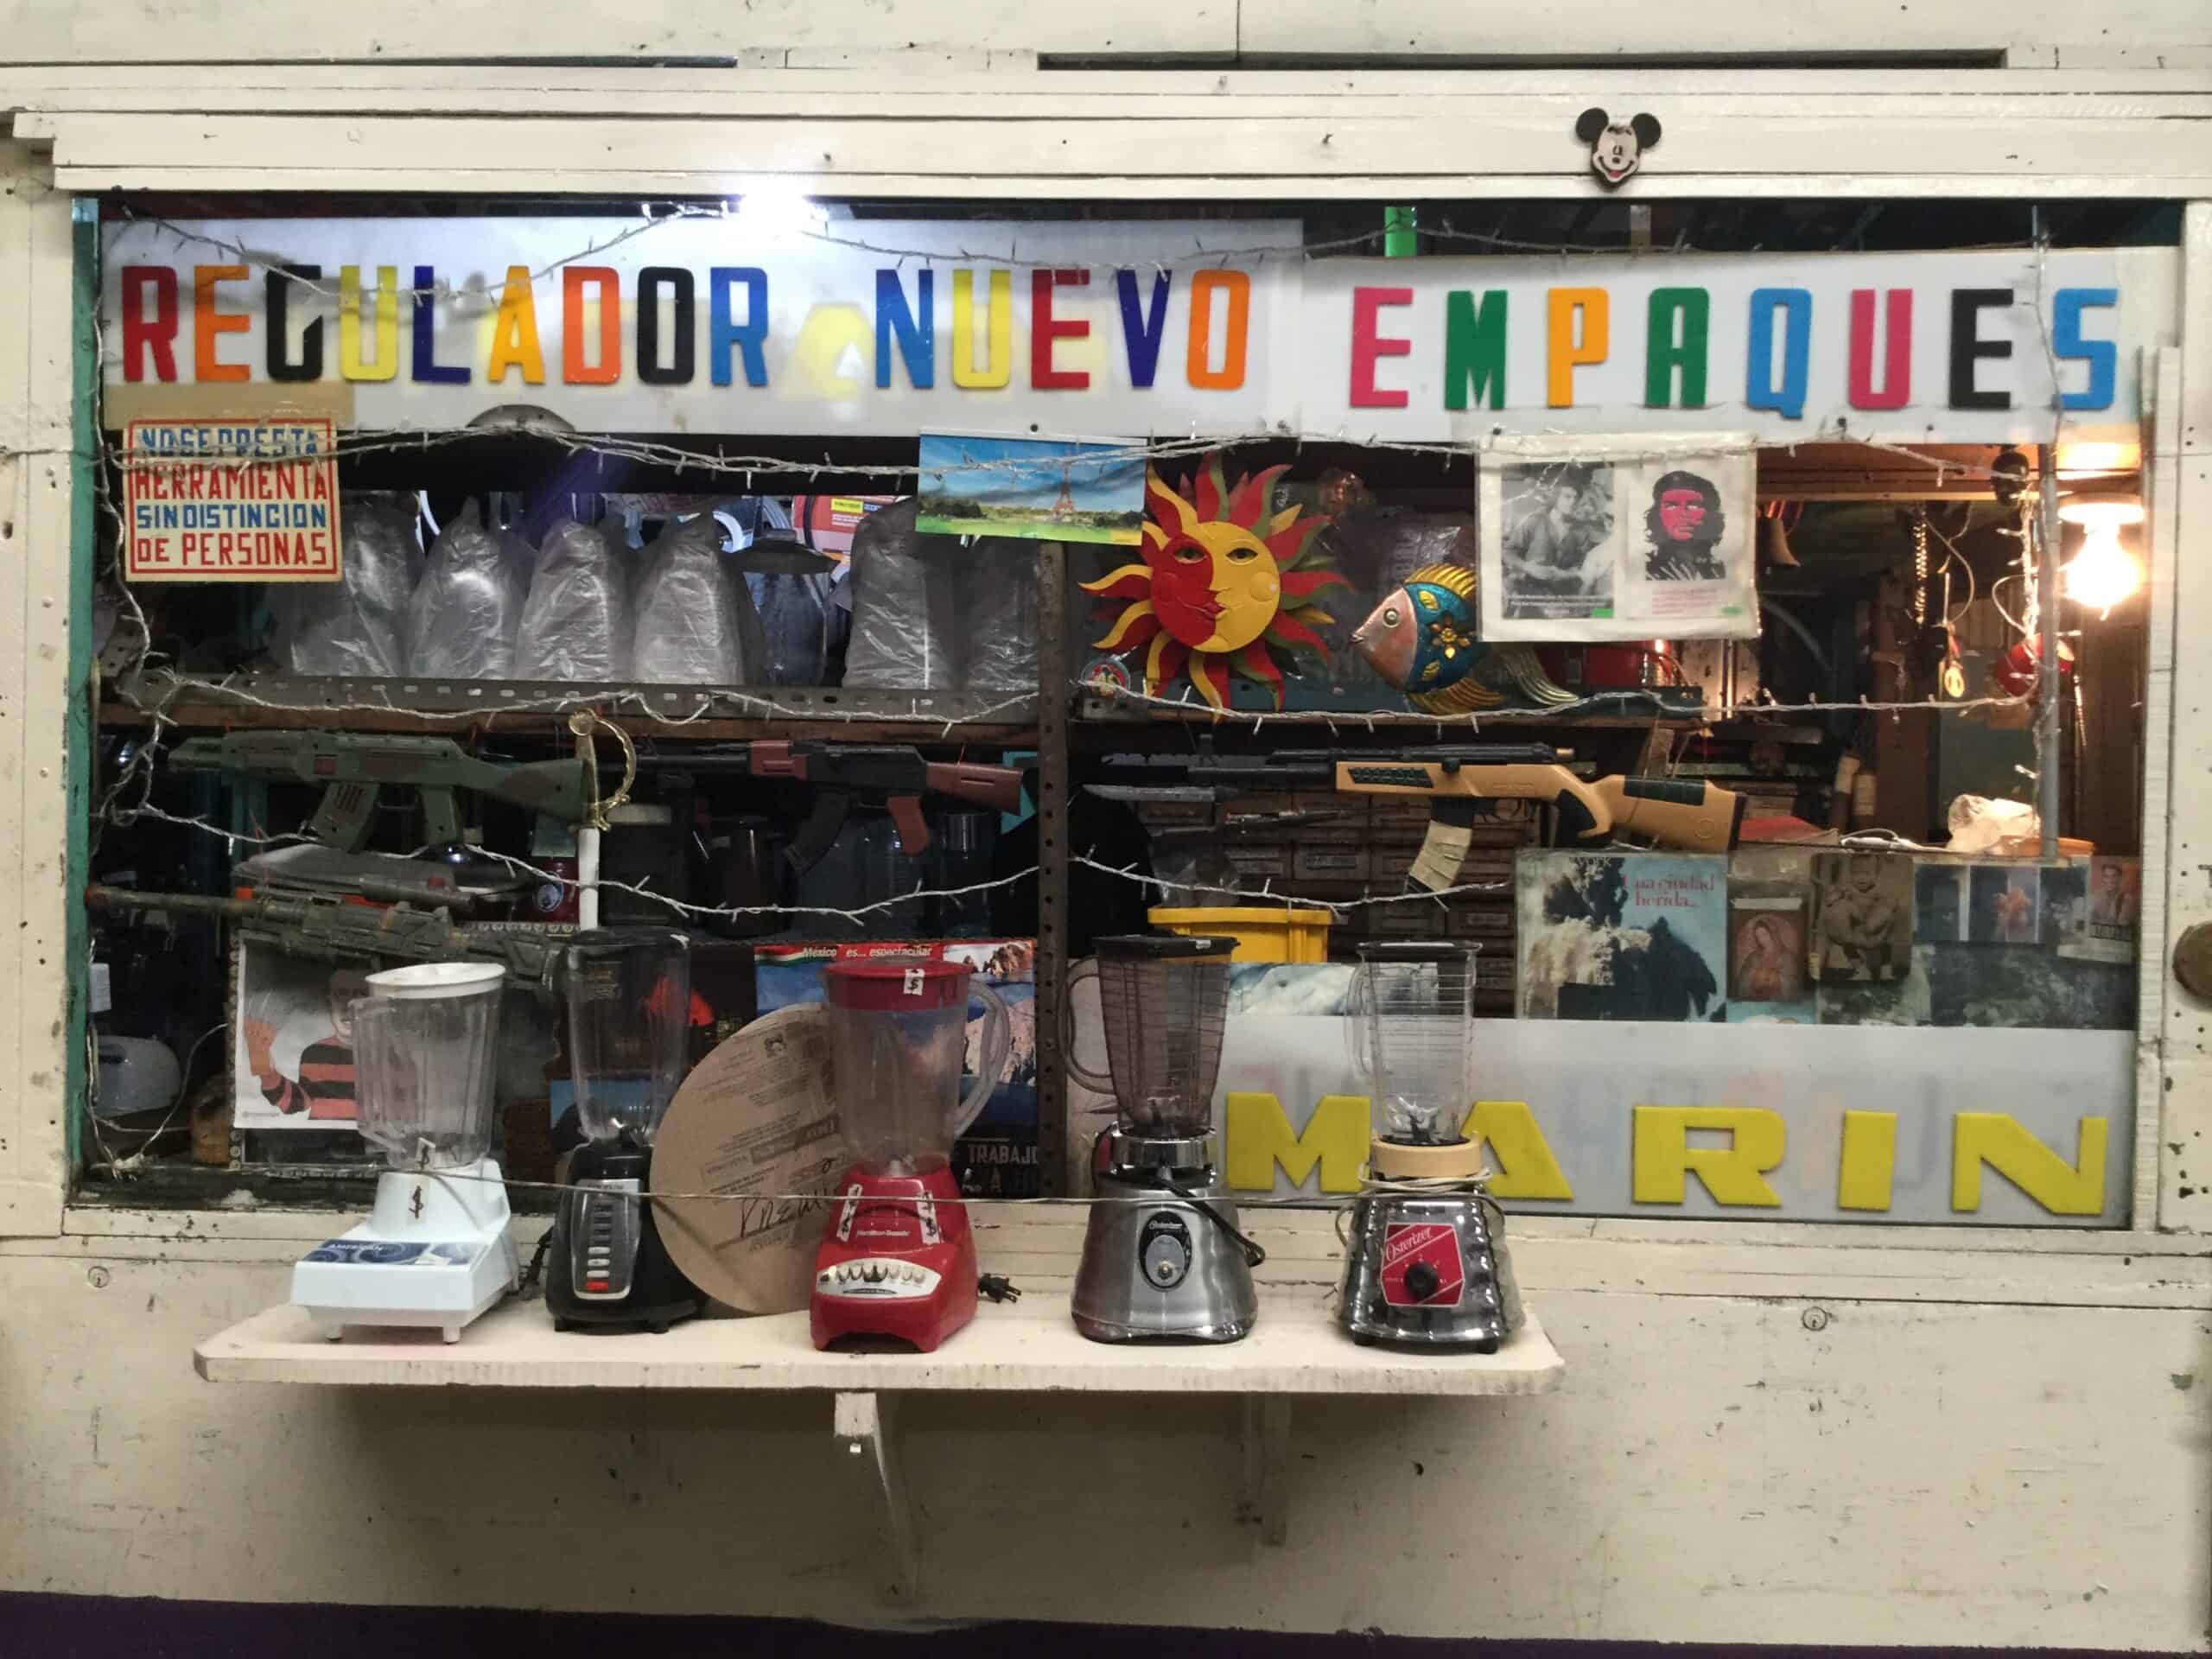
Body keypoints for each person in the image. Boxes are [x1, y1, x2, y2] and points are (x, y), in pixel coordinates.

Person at [1503, 475, 1610, 615]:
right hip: (1529, 589)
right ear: (1555, 498)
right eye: (1567, 496)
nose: (1572, 502)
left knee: (1599, 613)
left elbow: (1582, 568)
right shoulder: (1535, 521)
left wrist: (1564, 574)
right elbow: (1507, 552)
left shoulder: (1581, 531)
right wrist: (1526, 566)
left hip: (1561, 594)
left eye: (1576, 498)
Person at [1643, 470, 1727, 582]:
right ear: (1658, 515)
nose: (1683, 514)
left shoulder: (1718, 570)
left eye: (1693, 505)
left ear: (1710, 515)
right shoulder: (1646, 572)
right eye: (1671, 506)